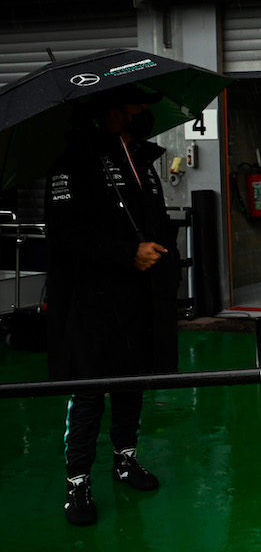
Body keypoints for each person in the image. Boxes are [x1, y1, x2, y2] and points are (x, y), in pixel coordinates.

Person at [44, 83, 181, 526]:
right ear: (110, 111)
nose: (143, 110)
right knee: (89, 391)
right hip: (91, 303)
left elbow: (153, 219)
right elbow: (65, 235)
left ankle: (125, 459)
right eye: (135, 104)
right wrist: (127, 254)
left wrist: (162, 251)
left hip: (139, 299)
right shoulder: (73, 162)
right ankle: (77, 484)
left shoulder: (141, 156)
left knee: (131, 383)